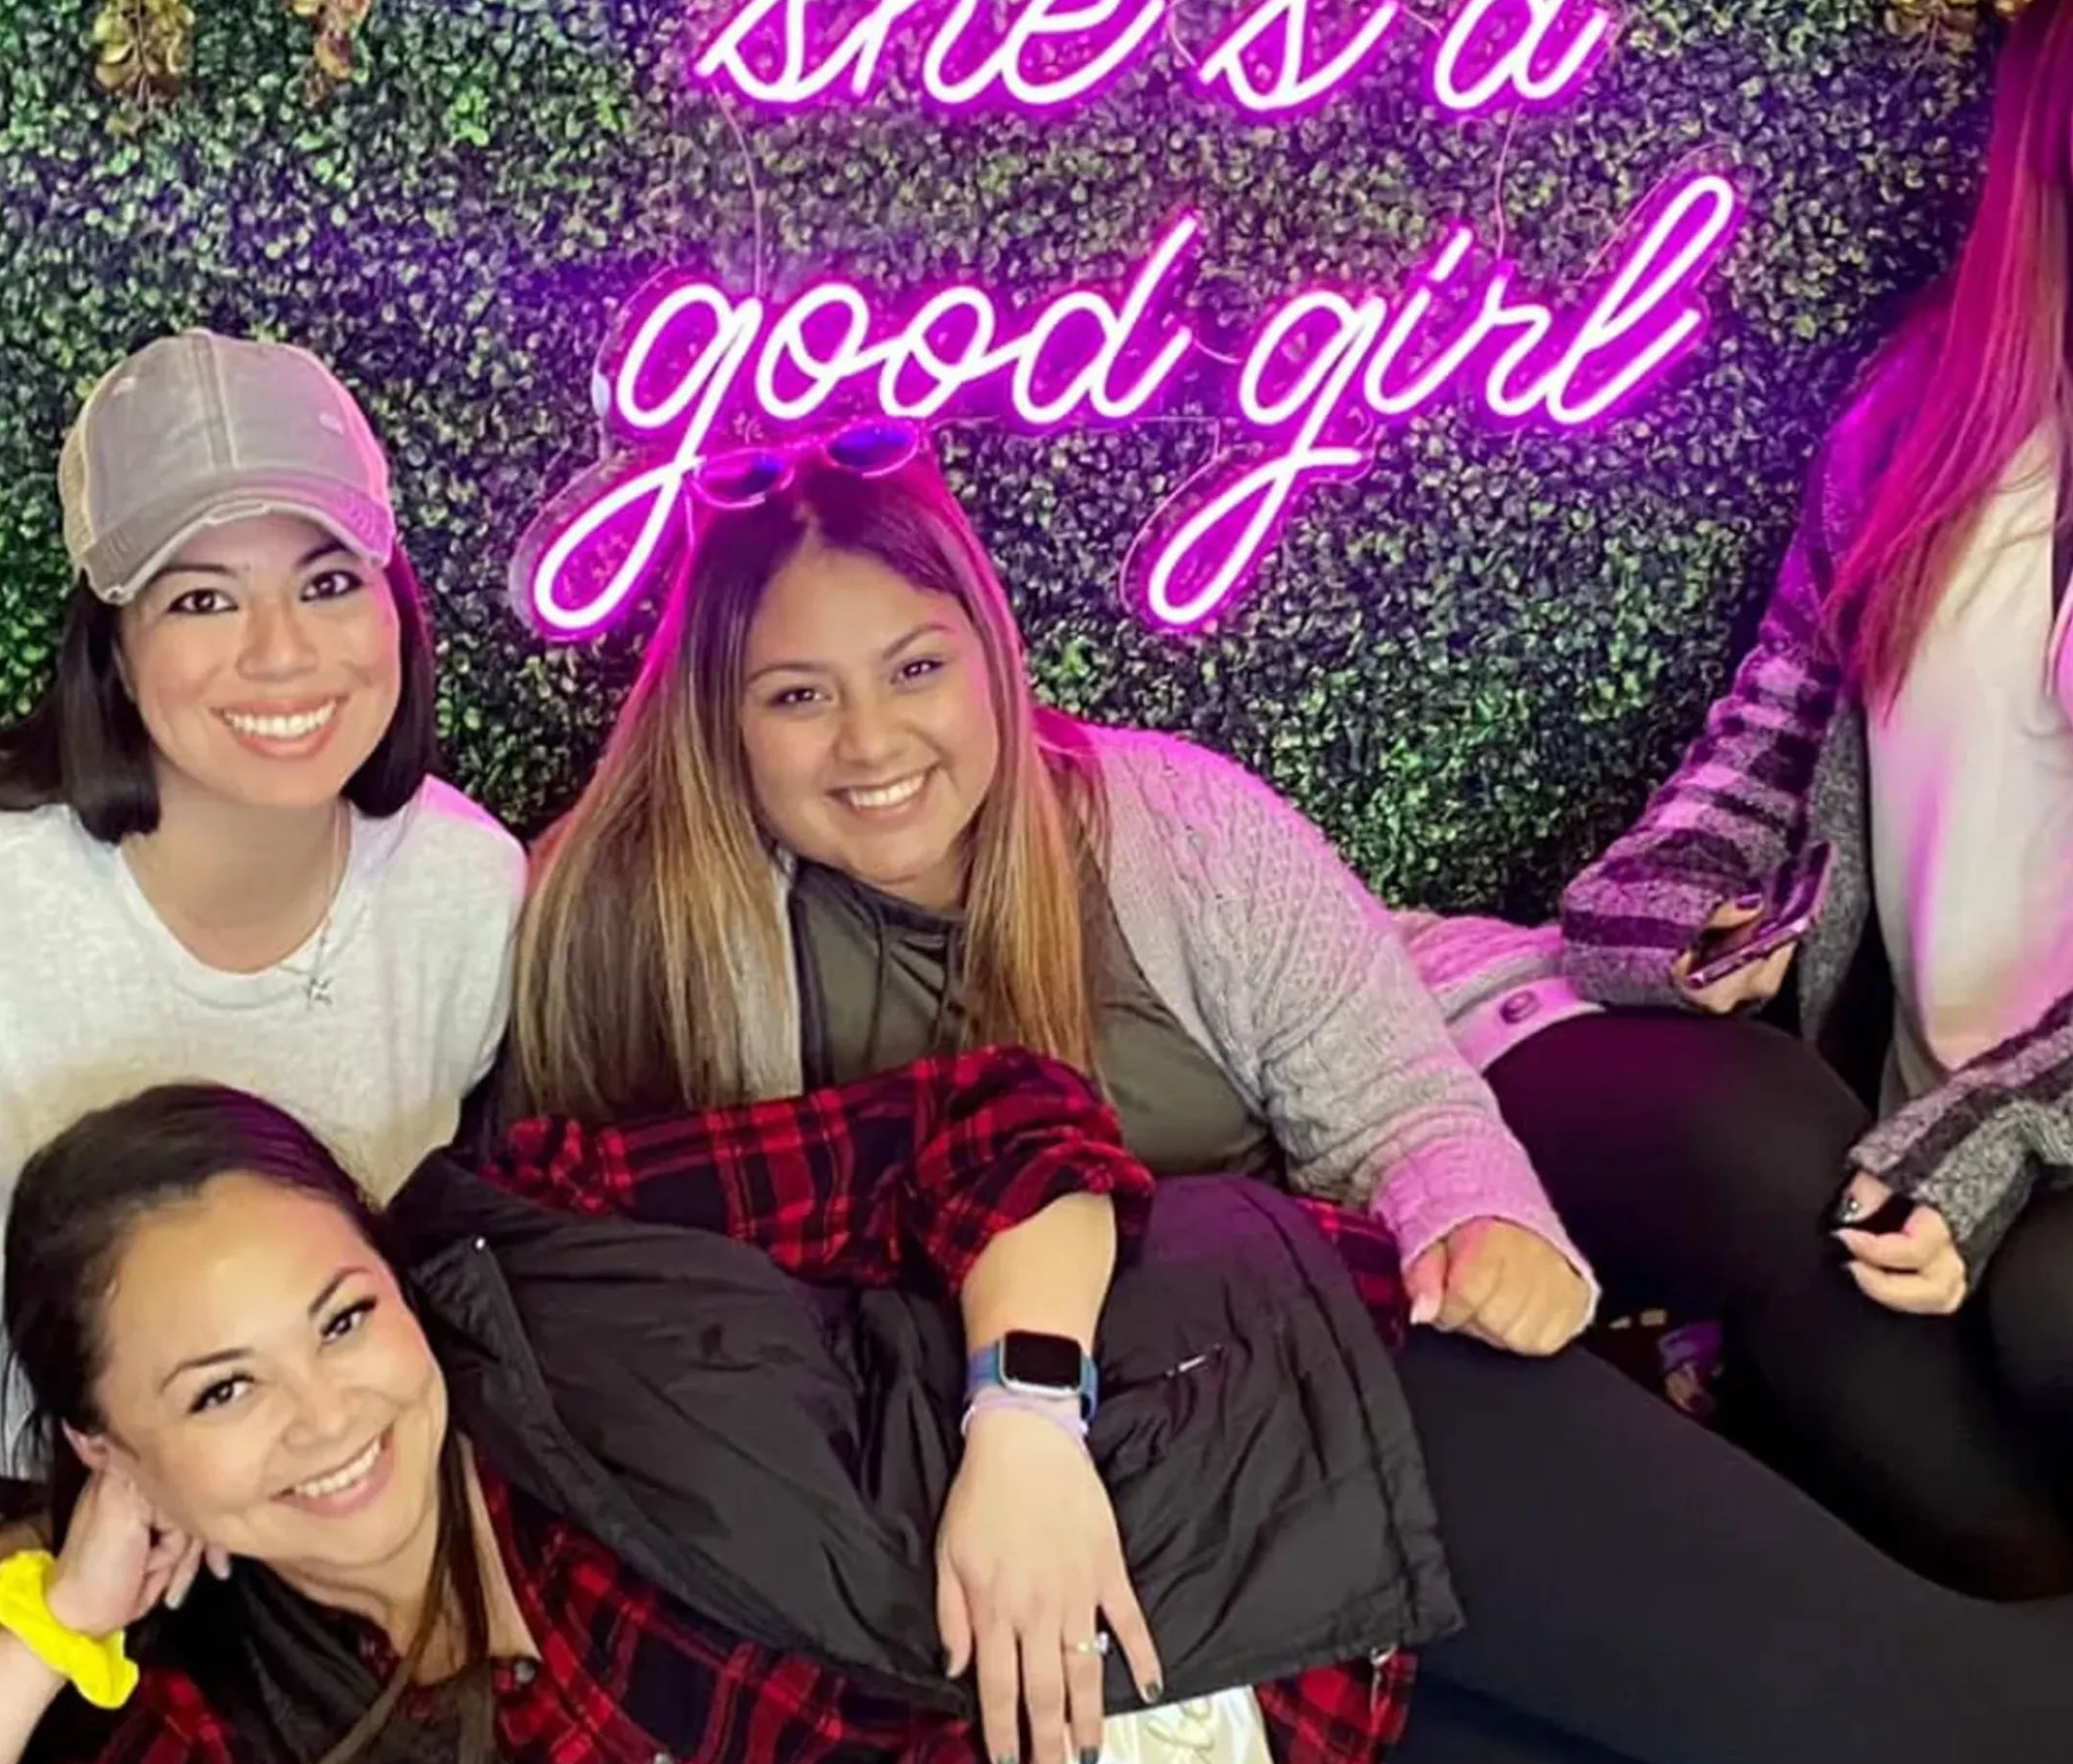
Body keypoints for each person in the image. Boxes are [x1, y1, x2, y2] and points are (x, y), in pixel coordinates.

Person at [0, 1062, 2073, 1764]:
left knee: (1956, 1735)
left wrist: (1019, 1419)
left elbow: (994, 1118)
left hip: (1286, 1430)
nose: (331, 1413)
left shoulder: (542, 1250)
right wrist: (49, 1623)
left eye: (337, 1316)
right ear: (116, 1454)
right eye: (216, 1396)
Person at [1521, 0, 2073, 1600]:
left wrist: (1998, 1139)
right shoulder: (1941, 397)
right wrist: (1681, 907)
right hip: (1911, 1122)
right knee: (1757, 1166)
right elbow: (1776, 724)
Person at [505, 424, 1597, 1362]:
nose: (873, 740)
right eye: (798, 696)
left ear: (992, 654)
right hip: (928, 1454)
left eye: (917, 669)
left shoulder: (1187, 828)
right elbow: (585, 1269)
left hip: (1273, 1370)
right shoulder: (631, 918)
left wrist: (1476, 1218)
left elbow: (1397, 1110)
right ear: (717, 721)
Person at [0, 332, 525, 1746]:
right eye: (204, 597)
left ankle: (8, 1600)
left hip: (202, 1477)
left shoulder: (463, 889)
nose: (281, 652)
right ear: (114, 649)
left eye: (328, 581)